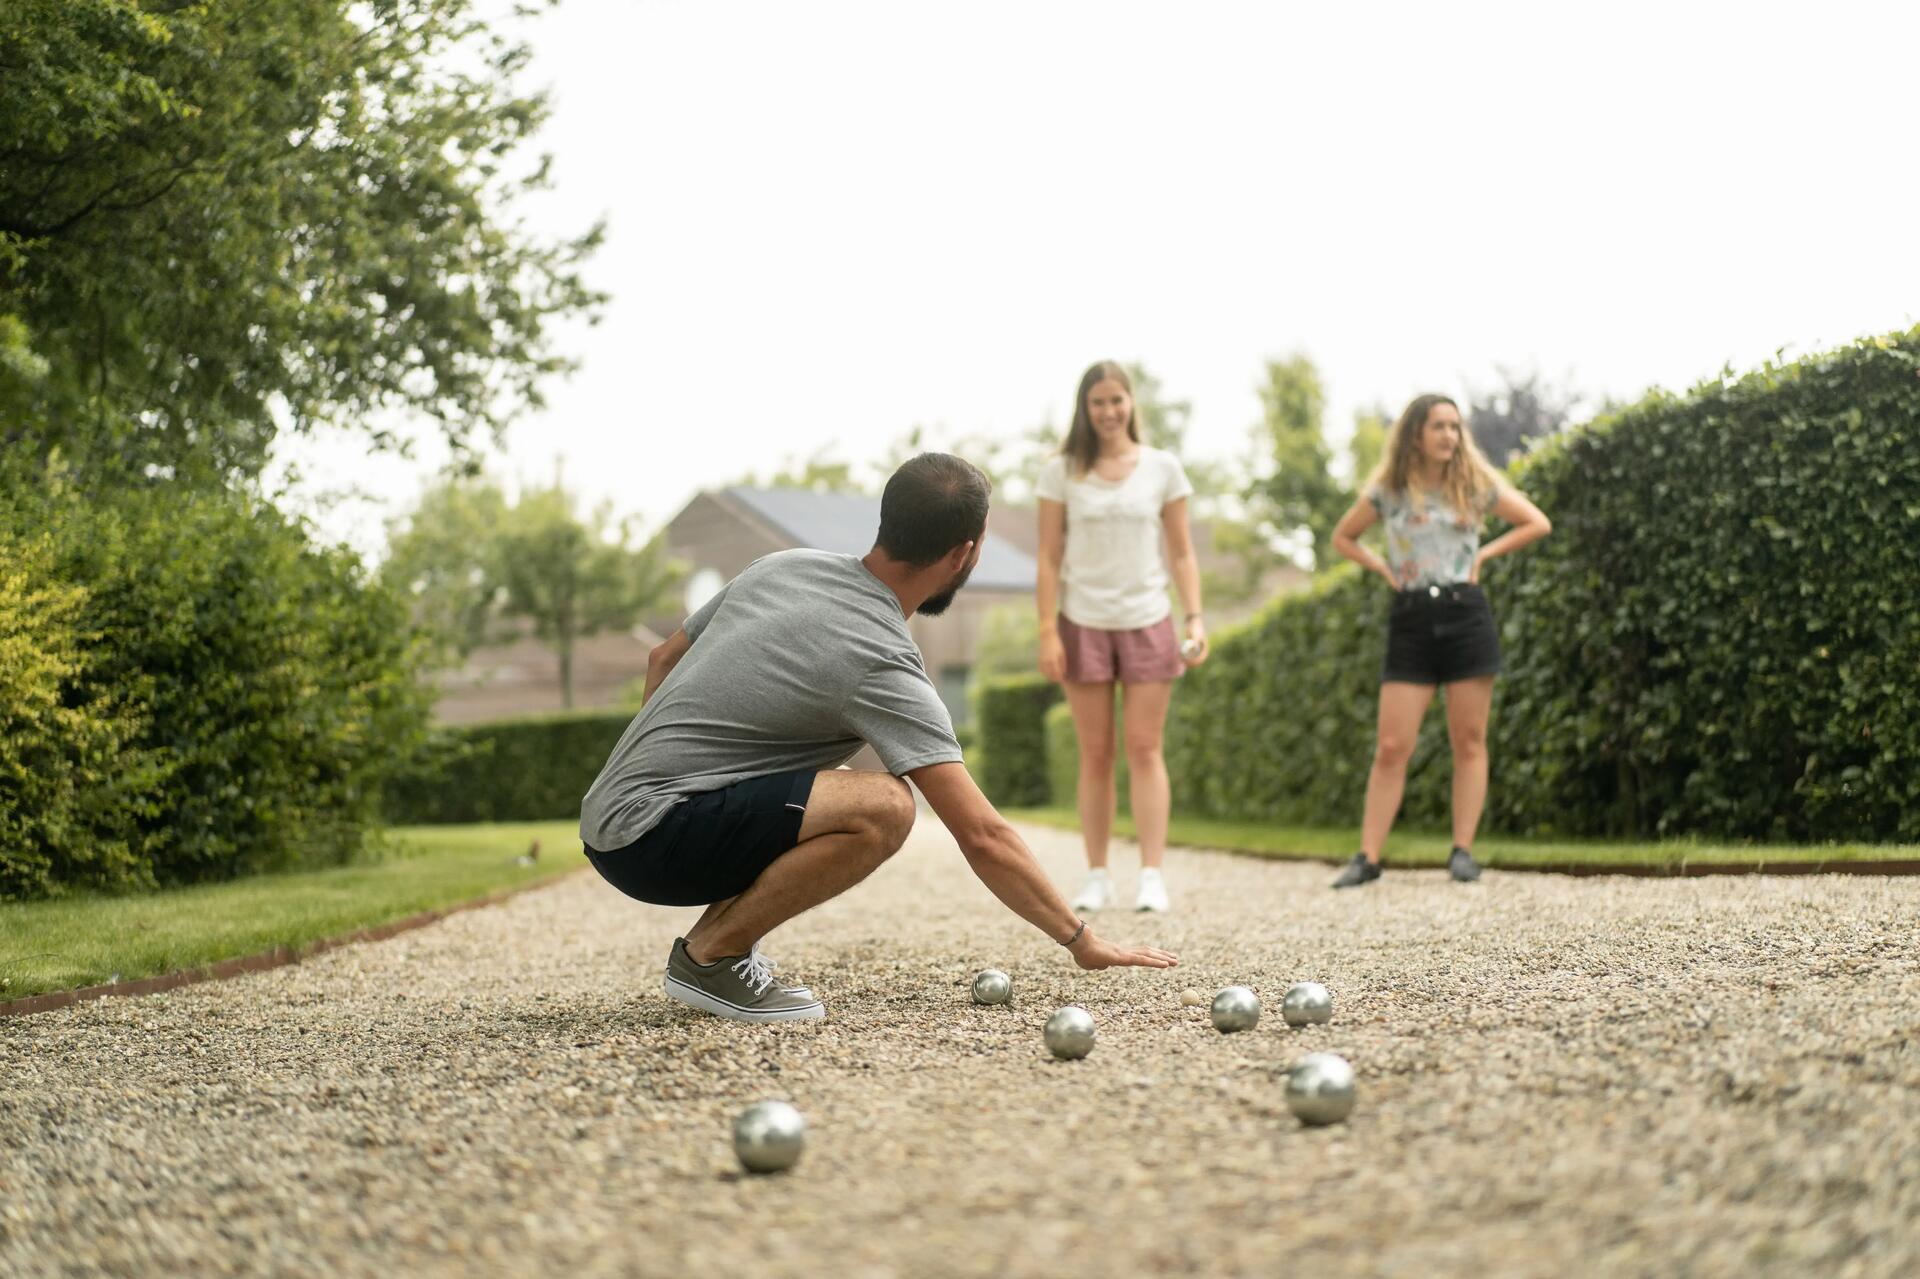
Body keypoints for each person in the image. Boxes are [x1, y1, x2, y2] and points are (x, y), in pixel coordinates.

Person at [579, 453, 1178, 1022]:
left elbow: (661, 658)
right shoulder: (882, 657)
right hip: (654, 841)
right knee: (886, 807)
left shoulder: (783, 566)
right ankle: (711, 957)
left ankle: (718, 946)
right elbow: (981, 833)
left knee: (830, 789)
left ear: (886, 523)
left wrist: (651, 772)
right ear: (963, 554)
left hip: (608, 819)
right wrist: (1080, 939)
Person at [1327, 393, 1552, 889]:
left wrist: (1484, 556)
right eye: (1439, 426)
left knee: (1469, 740)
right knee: (1392, 745)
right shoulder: (1387, 490)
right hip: (1410, 618)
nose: (1450, 435)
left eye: (1455, 426)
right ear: (1416, 434)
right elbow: (1344, 537)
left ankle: (1463, 852)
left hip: (1465, 614)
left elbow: (1537, 522)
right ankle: (1367, 857)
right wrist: (1381, 566)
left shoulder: (1475, 484)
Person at [1036, 361, 1207, 915]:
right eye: (1098, 403)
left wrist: (1195, 618)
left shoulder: (1163, 468)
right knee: (1096, 753)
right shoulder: (1061, 472)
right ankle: (1097, 874)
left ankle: (1152, 874)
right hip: (1082, 621)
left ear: (1132, 403)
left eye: (1117, 401)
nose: (1109, 412)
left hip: (1149, 618)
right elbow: (1048, 555)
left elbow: (1182, 552)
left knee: (1144, 747)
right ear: (1085, 409)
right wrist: (1046, 630)